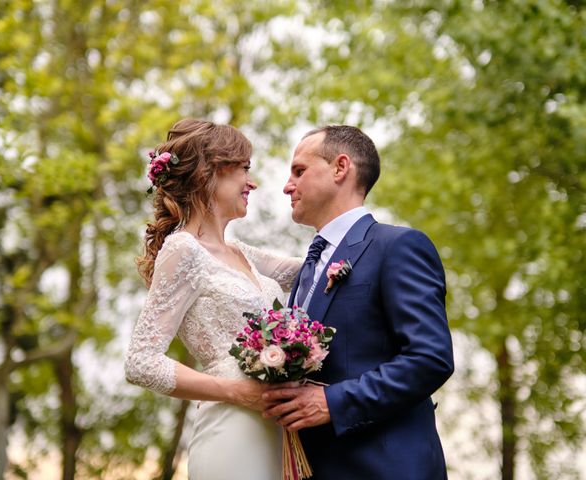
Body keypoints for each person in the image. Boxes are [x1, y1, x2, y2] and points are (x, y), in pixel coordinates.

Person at [262, 125, 455, 479]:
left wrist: (332, 403)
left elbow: (430, 358)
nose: (288, 186)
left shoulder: (398, 246)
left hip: (384, 466)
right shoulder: (307, 270)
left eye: (299, 171)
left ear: (340, 168)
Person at [125, 119, 302, 480]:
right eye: (244, 170)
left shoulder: (242, 253)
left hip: (277, 431)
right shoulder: (183, 250)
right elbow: (141, 361)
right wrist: (238, 392)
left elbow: (312, 268)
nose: (252, 183)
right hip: (232, 428)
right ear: (210, 173)